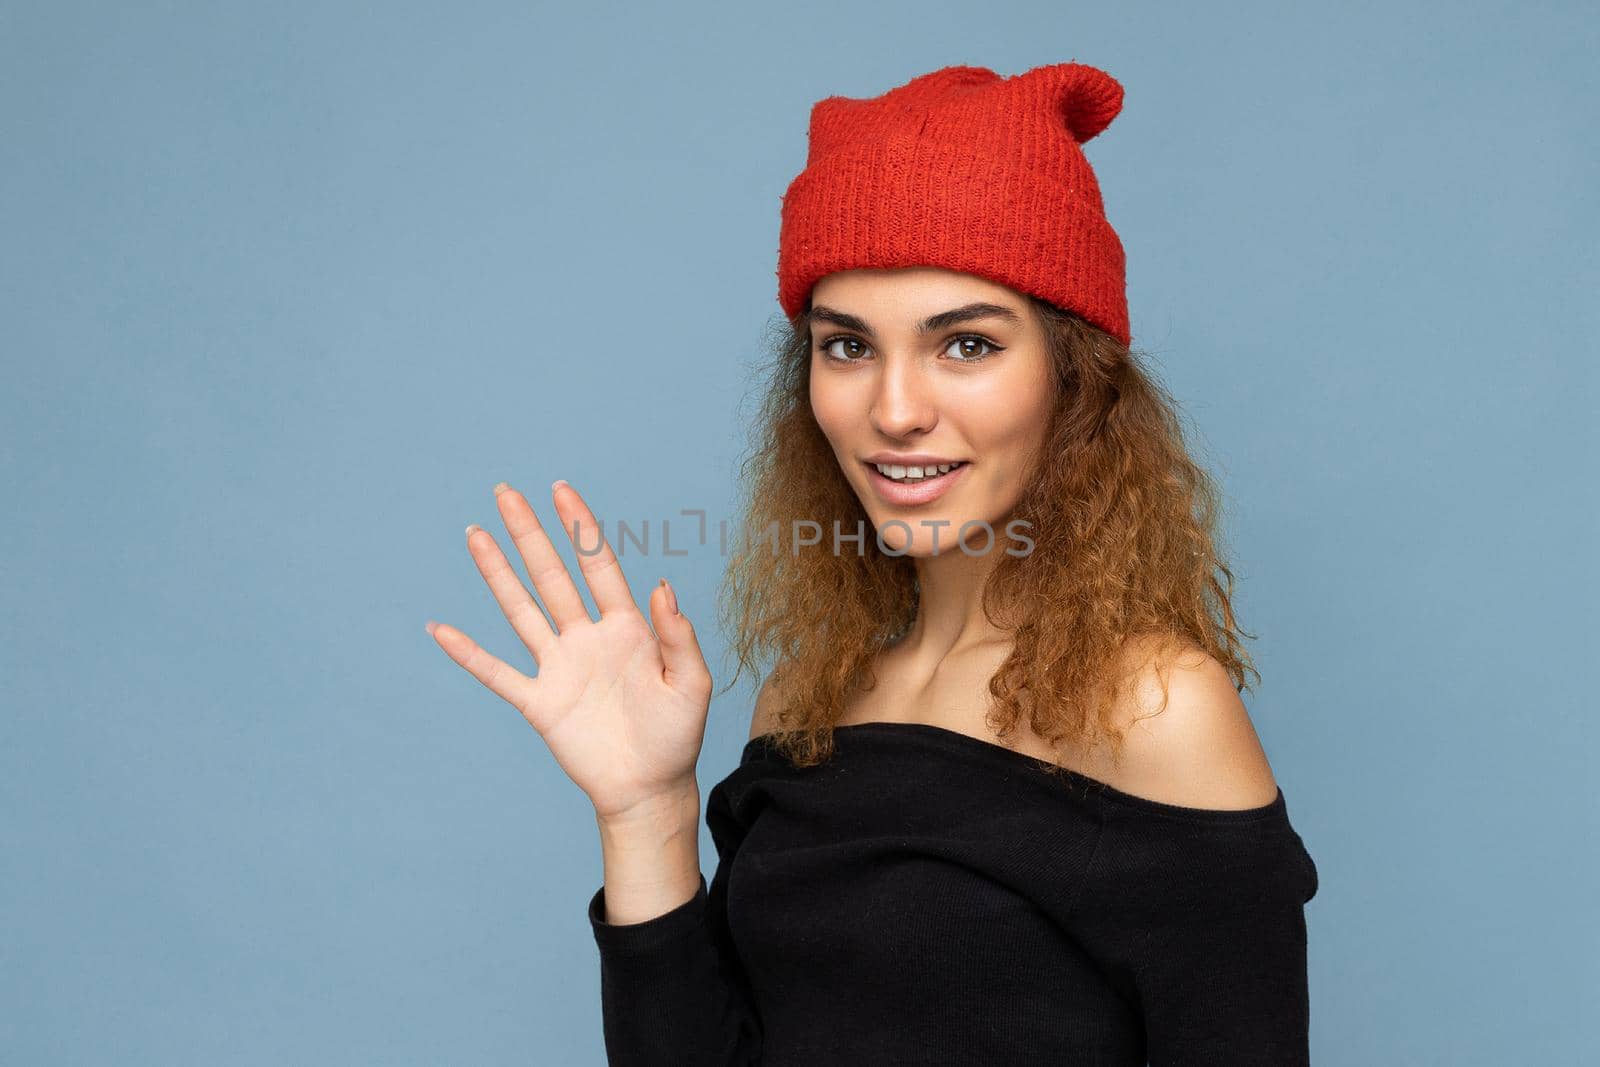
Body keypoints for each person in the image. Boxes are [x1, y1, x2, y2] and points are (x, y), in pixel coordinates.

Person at [427, 61, 1319, 1065]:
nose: (892, 410)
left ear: (1075, 379)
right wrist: (645, 813)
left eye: (966, 344)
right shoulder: (810, 697)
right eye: (846, 346)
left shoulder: (1155, 705)